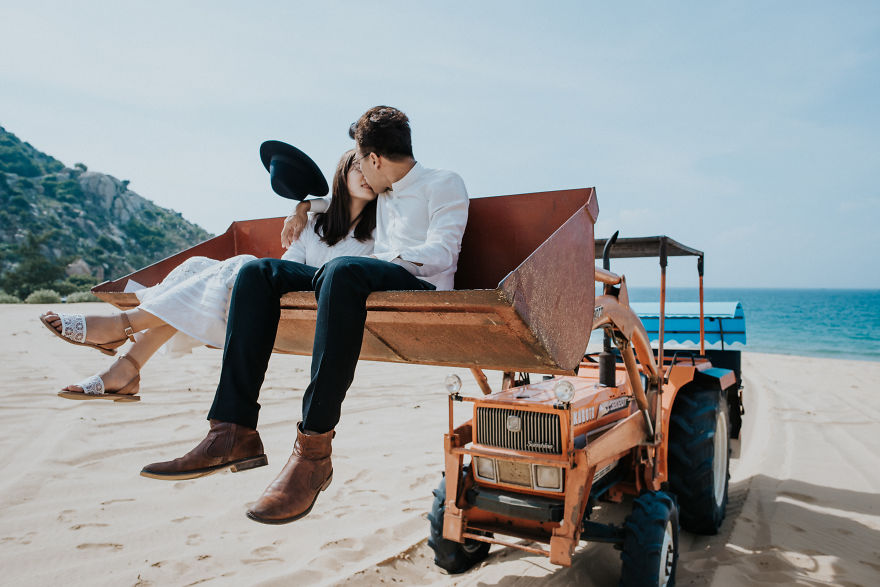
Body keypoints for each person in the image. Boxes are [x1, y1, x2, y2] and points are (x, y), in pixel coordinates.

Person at [139, 106, 470, 526]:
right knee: (258, 271)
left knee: (342, 270)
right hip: (366, 277)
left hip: (421, 287)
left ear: (374, 159)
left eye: (363, 164)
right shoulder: (383, 189)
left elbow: (444, 252)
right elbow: (340, 196)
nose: (365, 178)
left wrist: (386, 259)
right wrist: (305, 207)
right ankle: (232, 431)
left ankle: (313, 450)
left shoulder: (443, 182)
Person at [40, 150, 377, 401]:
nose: (364, 175)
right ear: (341, 175)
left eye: (371, 169)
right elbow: (293, 261)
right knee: (198, 267)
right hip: (291, 293)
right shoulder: (315, 223)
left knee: (243, 262)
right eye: (355, 167)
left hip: (332, 297)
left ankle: (122, 330)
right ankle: (126, 367)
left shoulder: (384, 223)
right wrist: (303, 209)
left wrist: (303, 206)